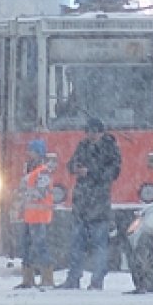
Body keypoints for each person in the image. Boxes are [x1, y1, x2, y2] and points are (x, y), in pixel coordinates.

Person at [58, 117, 121, 290]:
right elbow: (70, 164)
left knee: (99, 244)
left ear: (101, 132)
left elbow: (113, 172)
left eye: (93, 131)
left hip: (98, 203)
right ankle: (73, 278)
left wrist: (90, 172)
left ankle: (97, 280)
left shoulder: (110, 148)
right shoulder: (83, 146)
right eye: (88, 131)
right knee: (76, 243)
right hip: (82, 203)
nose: (90, 135)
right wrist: (75, 168)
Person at [15, 139, 54, 289]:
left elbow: (41, 193)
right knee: (26, 246)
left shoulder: (43, 171)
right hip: (29, 214)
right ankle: (28, 279)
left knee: (40, 246)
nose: (28, 153)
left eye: (31, 150)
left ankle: (47, 278)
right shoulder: (30, 170)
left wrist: (23, 193)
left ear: (38, 153)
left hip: (39, 215)